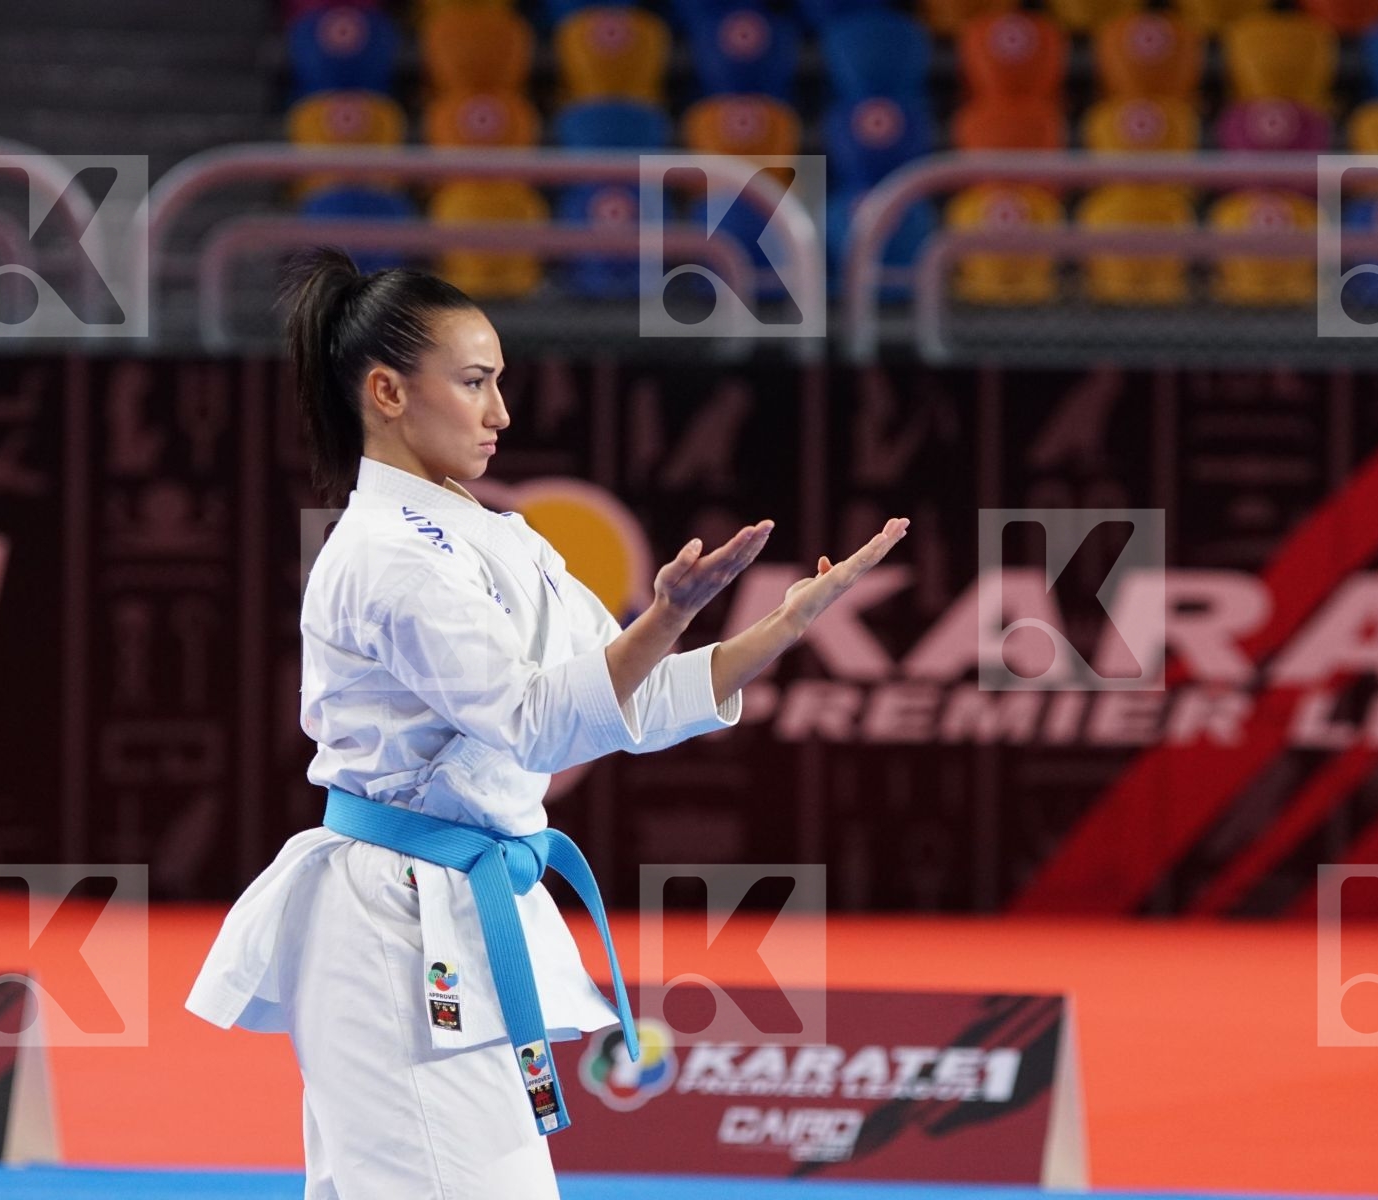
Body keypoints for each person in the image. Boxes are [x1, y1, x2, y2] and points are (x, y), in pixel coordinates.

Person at [183, 247, 910, 1199]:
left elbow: (630, 704)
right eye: (476, 383)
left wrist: (781, 626)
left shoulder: (501, 537)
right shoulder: (385, 557)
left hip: (452, 913)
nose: (501, 414)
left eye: (501, 384)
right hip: (396, 927)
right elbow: (534, 725)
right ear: (387, 393)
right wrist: (666, 616)